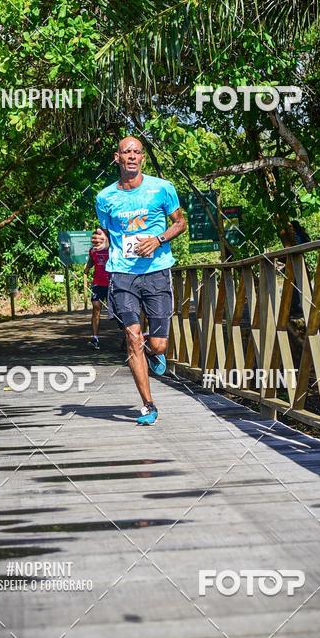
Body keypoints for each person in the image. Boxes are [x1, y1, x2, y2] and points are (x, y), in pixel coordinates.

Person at [92, 136, 186, 425]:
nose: (131, 156)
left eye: (137, 152)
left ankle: (153, 351)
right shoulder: (105, 198)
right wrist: (101, 241)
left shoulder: (162, 188)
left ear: (142, 158)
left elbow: (180, 223)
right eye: (126, 152)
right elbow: (106, 234)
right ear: (116, 157)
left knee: (158, 345)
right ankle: (148, 405)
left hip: (157, 272)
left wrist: (157, 240)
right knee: (132, 337)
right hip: (122, 274)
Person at [84, 245, 110, 350]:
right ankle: (95, 338)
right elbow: (90, 263)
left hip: (111, 283)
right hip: (97, 284)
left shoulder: (112, 249)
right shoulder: (93, 251)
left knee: (118, 311)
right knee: (96, 308)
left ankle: (127, 336)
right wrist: (86, 269)